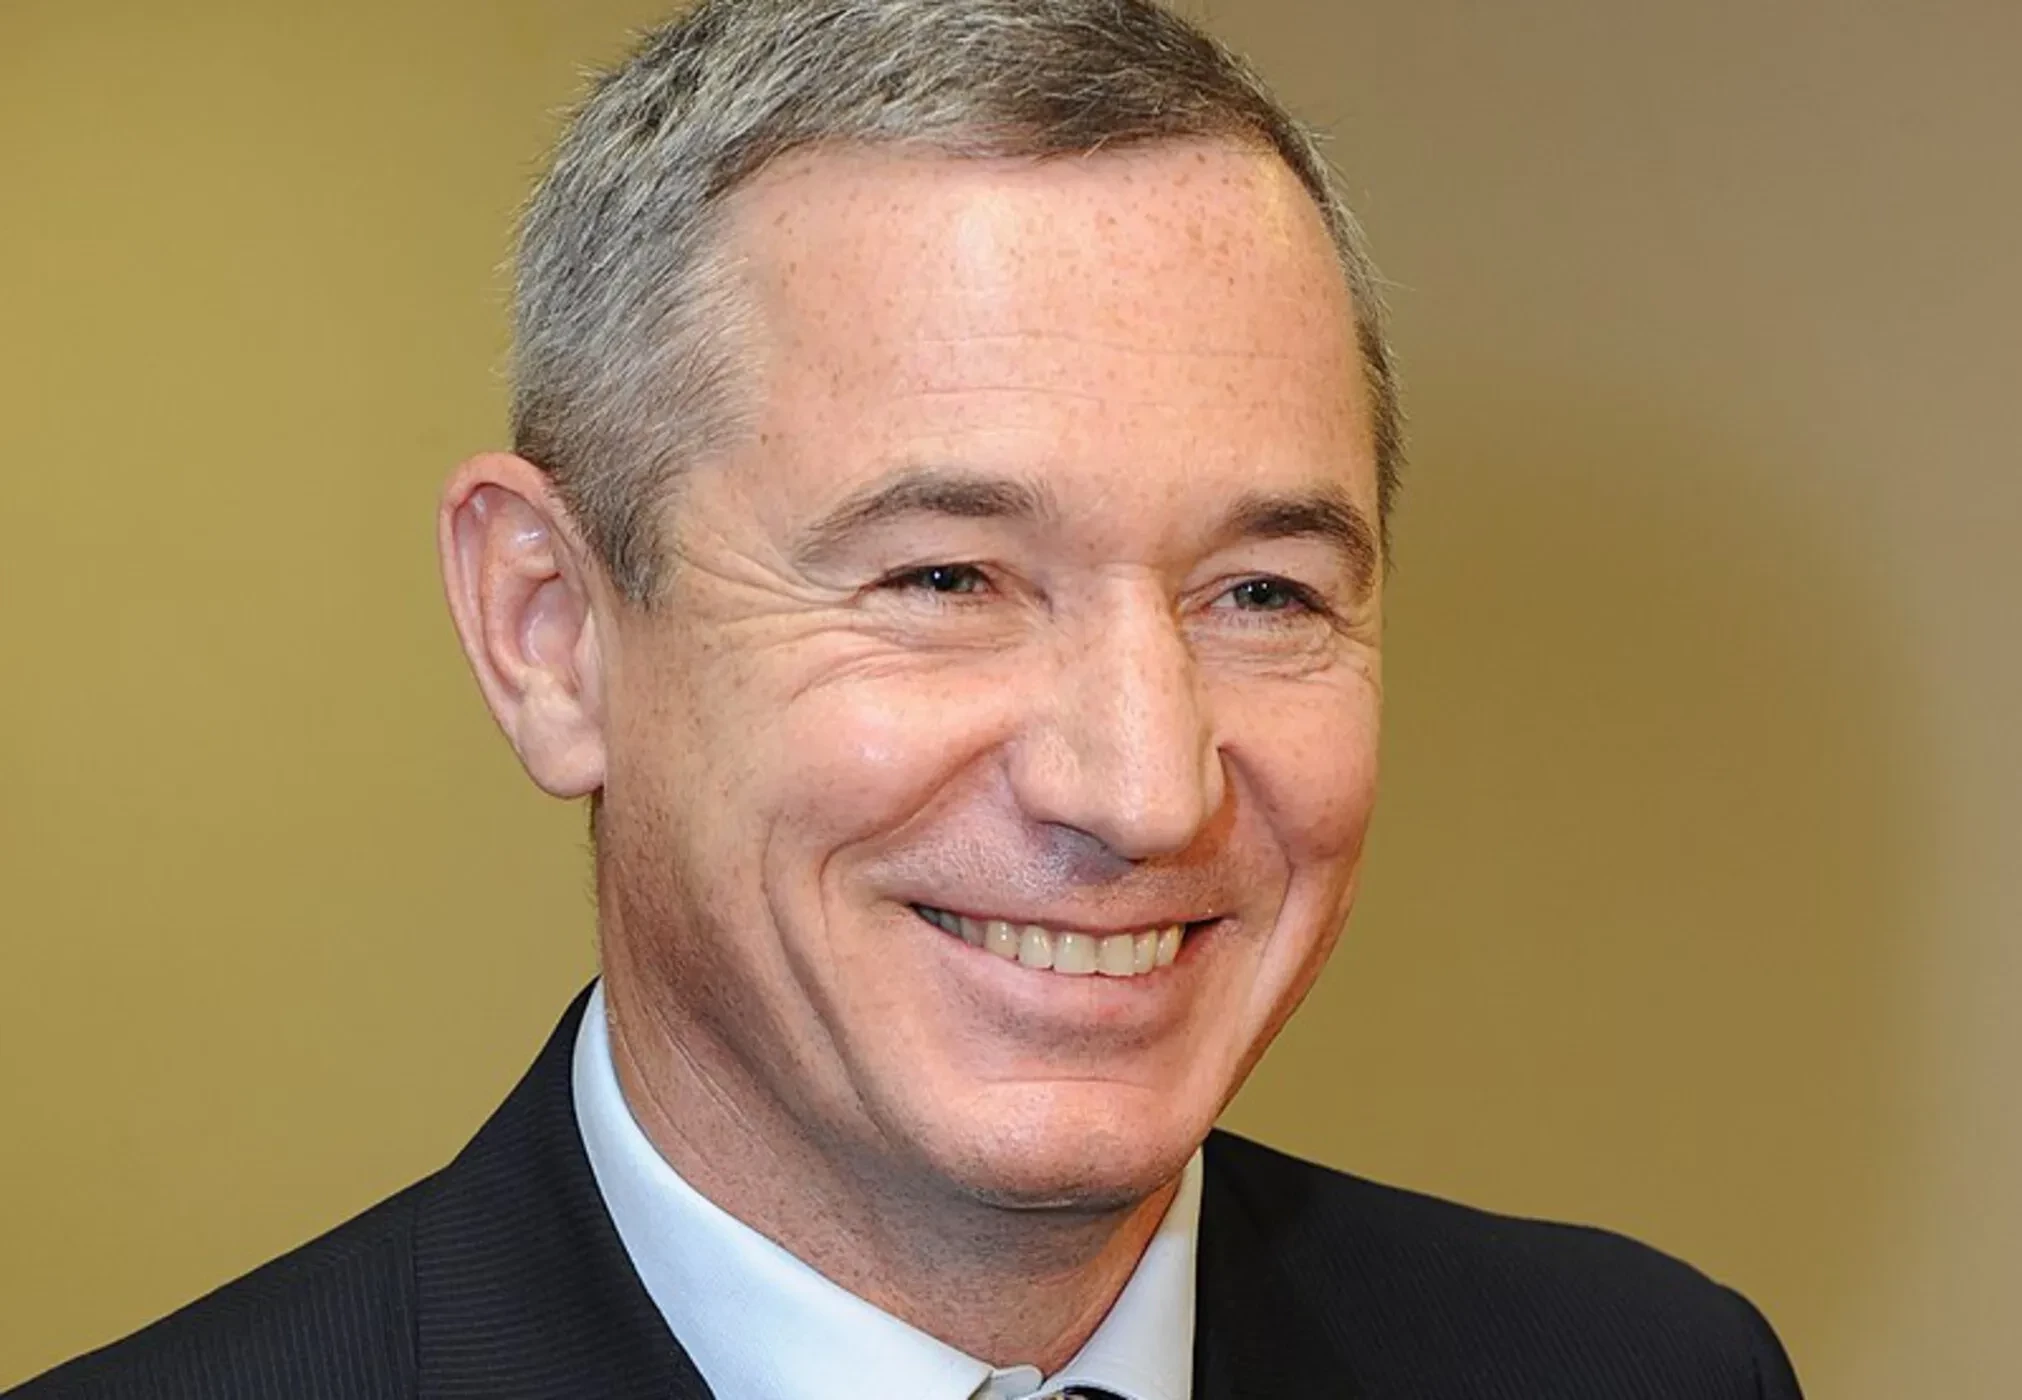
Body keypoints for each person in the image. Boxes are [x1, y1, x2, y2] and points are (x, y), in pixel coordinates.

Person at [12, 1, 1803, 1396]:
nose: (1143, 787)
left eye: (1259, 594)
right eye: (947, 580)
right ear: (550, 631)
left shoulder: (1641, 1372)